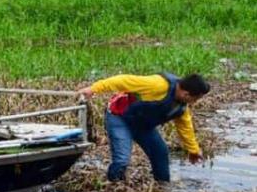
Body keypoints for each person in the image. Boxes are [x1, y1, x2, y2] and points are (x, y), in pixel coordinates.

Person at [77, 73, 210, 182]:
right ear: (186, 94)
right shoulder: (157, 85)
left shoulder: (180, 106)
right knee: (122, 159)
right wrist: (93, 89)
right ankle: (114, 185)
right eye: (195, 99)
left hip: (142, 126)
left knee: (161, 153)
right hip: (119, 117)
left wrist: (193, 150)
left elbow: (185, 127)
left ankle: (163, 186)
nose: (194, 102)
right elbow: (122, 80)